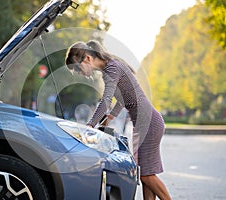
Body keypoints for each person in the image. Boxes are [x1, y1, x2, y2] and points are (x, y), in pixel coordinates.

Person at [65, 40, 172, 200]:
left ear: (87, 58)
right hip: (143, 124)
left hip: (149, 123)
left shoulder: (112, 68)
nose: (79, 73)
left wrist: (90, 125)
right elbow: (122, 99)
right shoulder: (109, 68)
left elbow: (106, 100)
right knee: (146, 175)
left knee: (146, 175)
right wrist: (110, 116)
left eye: (78, 69)